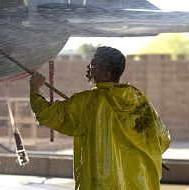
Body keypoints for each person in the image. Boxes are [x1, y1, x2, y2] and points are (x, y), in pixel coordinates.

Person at [29, 46, 171, 190]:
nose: (89, 67)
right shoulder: (139, 100)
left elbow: (46, 113)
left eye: (94, 64)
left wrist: (35, 87)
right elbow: (162, 138)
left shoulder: (88, 102)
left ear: (107, 72)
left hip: (102, 184)